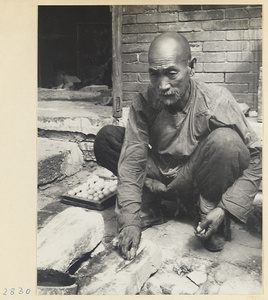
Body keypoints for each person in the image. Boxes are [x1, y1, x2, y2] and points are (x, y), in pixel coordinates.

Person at [94, 32, 262, 260]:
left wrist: (225, 208)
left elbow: (256, 156)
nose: (162, 85)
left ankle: (207, 215)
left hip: (195, 181)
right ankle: (151, 206)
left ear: (191, 67)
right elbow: (133, 159)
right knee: (108, 138)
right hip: (159, 174)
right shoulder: (143, 102)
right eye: (155, 75)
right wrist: (129, 221)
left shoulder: (216, 100)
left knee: (227, 141)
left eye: (172, 73)